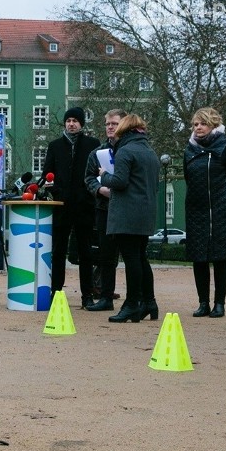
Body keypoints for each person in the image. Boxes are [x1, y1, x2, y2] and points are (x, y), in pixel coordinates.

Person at [183, 107, 226, 318]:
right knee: (199, 257)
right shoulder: (189, 150)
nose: (198, 127)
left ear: (213, 125)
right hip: (196, 210)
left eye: (203, 123)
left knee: (220, 257)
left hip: (221, 209)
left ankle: (219, 303)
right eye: (195, 124)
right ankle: (203, 303)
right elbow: (188, 177)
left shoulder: (225, 146)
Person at [98, 114, 159, 323]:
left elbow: (120, 181)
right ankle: (149, 302)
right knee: (141, 258)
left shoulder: (125, 151)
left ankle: (132, 304)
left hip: (127, 213)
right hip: (146, 212)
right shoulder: (149, 151)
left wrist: (103, 174)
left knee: (132, 259)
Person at [44, 106, 101, 309]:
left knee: (85, 251)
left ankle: (87, 295)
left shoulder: (93, 145)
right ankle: (56, 292)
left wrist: (90, 193)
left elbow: (97, 173)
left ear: (81, 124)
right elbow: (47, 173)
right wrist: (55, 190)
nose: (71, 124)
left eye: (75, 121)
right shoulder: (55, 145)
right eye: (68, 121)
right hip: (61, 206)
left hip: (84, 205)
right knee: (58, 251)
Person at [83, 109, 127, 312]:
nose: (110, 127)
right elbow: (89, 178)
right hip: (104, 208)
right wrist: (99, 189)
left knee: (133, 256)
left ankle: (140, 298)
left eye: (114, 123)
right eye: (108, 124)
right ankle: (106, 297)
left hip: (128, 209)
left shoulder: (129, 150)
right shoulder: (97, 153)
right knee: (106, 257)